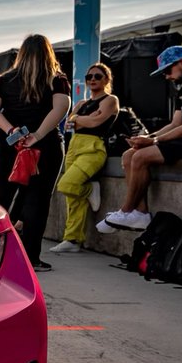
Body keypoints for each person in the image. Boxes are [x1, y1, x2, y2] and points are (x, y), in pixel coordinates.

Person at [0, 34, 72, 272]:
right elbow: (62, 107)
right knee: (38, 201)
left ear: (21, 54)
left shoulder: (3, 80)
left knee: (0, 198)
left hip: (10, 145)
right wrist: (38, 135)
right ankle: (31, 258)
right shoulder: (57, 79)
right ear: (49, 53)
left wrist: (12, 131)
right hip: (46, 146)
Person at [99, 46, 182, 232]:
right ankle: (140, 214)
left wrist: (154, 142)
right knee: (128, 155)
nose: (166, 76)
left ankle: (126, 210)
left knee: (141, 157)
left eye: (167, 70)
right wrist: (147, 137)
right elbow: (175, 123)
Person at [50, 63, 119, 253]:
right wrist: (81, 120)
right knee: (72, 199)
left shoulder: (110, 100)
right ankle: (72, 240)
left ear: (106, 79)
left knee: (67, 185)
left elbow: (97, 121)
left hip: (93, 147)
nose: (93, 80)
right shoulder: (81, 104)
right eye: (89, 77)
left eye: (98, 76)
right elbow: (67, 126)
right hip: (74, 147)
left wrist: (78, 119)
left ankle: (89, 189)